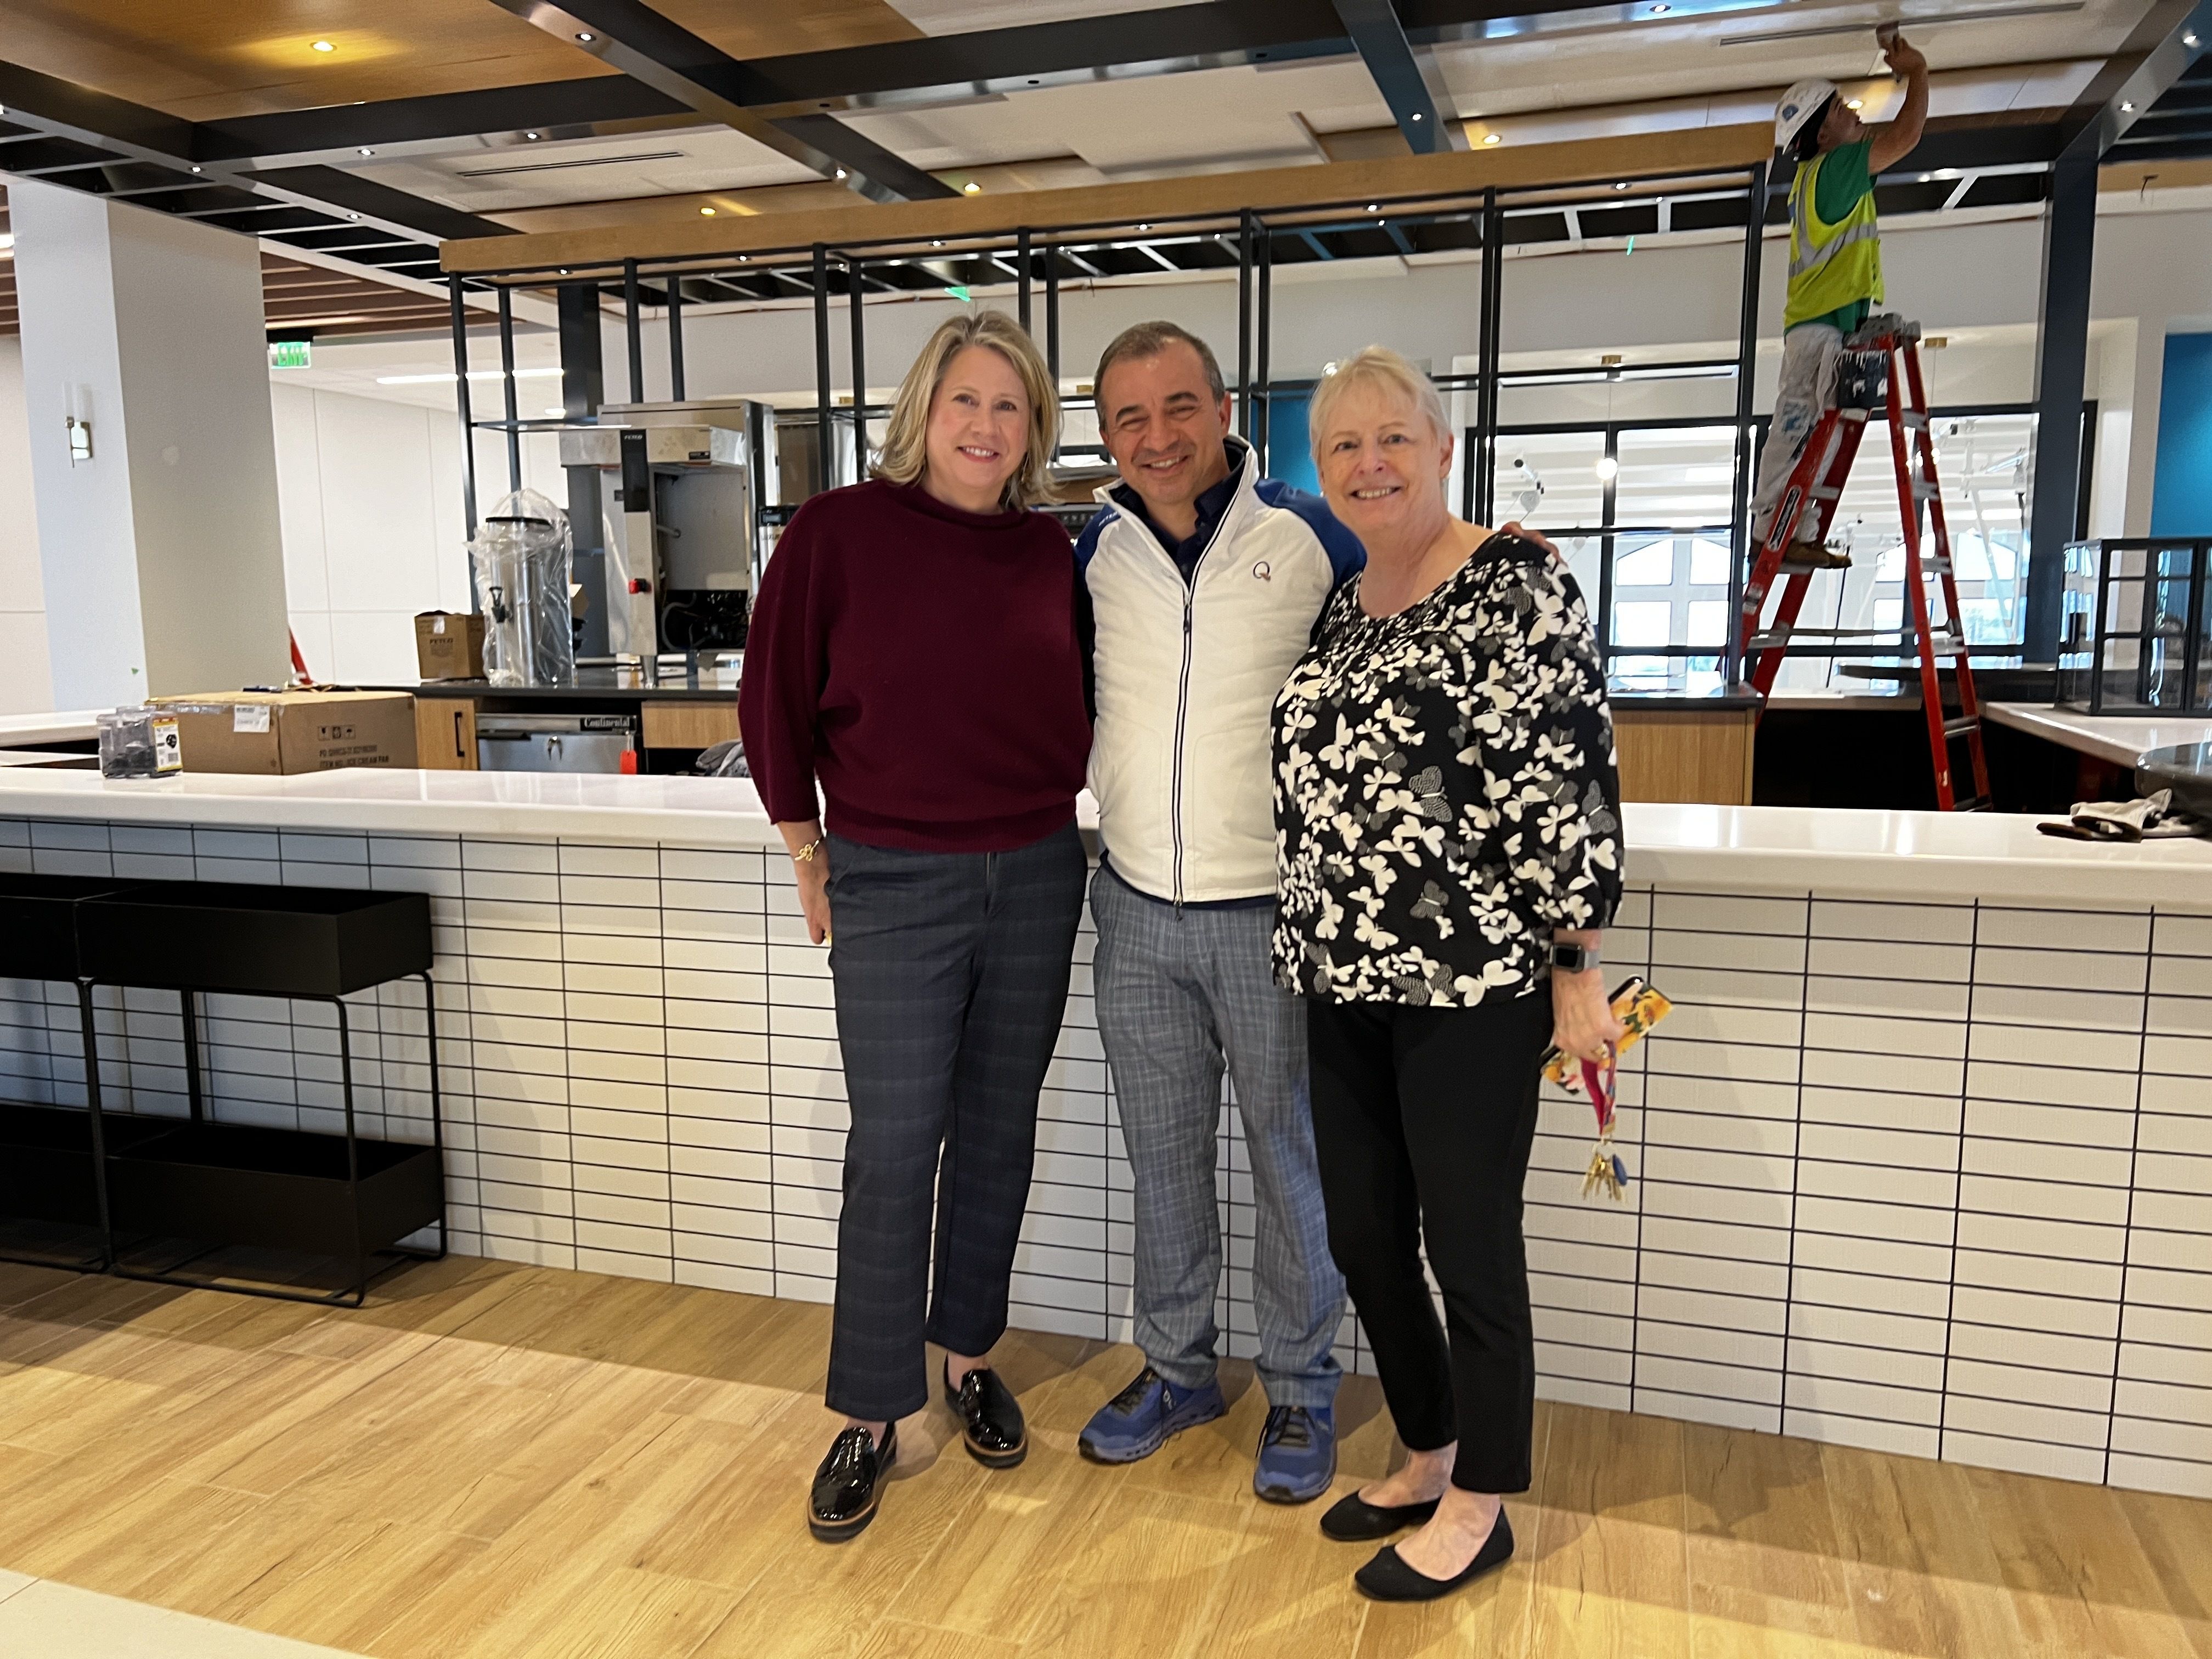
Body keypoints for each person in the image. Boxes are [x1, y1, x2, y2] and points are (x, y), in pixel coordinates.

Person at [1271, 347, 1623, 1602]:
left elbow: (1569, 774)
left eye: (1392, 438)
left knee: (1469, 1244)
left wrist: (1575, 964)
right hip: (1339, 970)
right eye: (1343, 445)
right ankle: (1427, 1447)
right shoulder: (1342, 602)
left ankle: (1486, 1497)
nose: (1369, 464)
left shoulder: (1517, 581)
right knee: (1365, 1235)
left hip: (1474, 982)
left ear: (1441, 448)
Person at [738, 311, 1091, 1544]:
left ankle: (967, 1357)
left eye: (1010, 406)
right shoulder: (837, 533)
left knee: (998, 1131)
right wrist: (806, 847)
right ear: (922, 413)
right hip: (892, 876)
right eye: (965, 401)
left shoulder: (1051, 551)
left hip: (1038, 868)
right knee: (893, 1147)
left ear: (1034, 428)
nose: (986, 426)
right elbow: (771, 699)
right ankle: (871, 1410)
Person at [1071, 321, 1362, 1504]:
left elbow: (1417, 585)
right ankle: (1178, 1367)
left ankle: (1299, 1384)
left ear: (1225, 408)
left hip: (1272, 915)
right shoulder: (1093, 551)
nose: (1158, 436)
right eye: (1130, 418)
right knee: (1162, 1159)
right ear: (1106, 436)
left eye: (1179, 406)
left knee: (1292, 1159)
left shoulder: (1309, 534)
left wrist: (1492, 551)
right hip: (1136, 907)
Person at [1751, 26, 1930, 570]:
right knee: (1798, 427)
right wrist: (1917, 73)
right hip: (1818, 327)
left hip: (1826, 324)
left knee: (1812, 432)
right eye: (1839, 108)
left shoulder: (1826, 173)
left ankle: (1793, 532)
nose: (1853, 110)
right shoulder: (1832, 170)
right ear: (1822, 133)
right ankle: (1771, 531)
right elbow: (1904, 137)